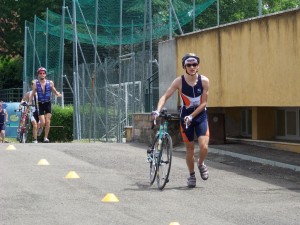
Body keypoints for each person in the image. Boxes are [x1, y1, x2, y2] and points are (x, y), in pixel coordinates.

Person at [151, 53, 209, 188]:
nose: (192, 67)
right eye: (189, 65)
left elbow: (204, 104)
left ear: (198, 66)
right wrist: (157, 110)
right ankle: (192, 175)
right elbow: (165, 96)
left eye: (194, 64)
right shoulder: (179, 81)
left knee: (203, 146)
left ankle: (200, 163)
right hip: (185, 117)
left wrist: (192, 116)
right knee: (189, 148)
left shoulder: (204, 81)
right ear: (185, 66)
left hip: (199, 115)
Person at [29, 67, 62, 143]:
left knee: (48, 121)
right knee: (42, 122)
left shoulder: (50, 82)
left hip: (48, 103)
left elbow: (53, 89)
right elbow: (33, 93)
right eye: (40, 73)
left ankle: (45, 138)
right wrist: (30, 101)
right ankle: (40, 127)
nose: (42, 74)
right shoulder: (35, 84)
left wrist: (57, 93)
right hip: (40, 104)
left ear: (45, 74)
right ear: (38, 74)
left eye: (43, 73)